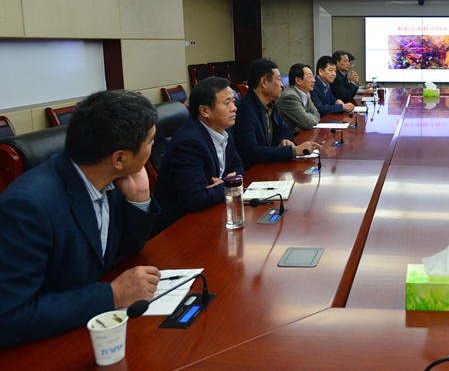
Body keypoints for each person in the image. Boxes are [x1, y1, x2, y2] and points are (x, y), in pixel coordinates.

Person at [0, 90, 161, 348]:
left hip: (90, 329)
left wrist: (139, 198)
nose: (153, 147)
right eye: (150, 142)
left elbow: (126, 249)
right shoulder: (28, 208)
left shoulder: (109, 177)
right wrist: (113, 295)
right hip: (45, 348)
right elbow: (7, 318)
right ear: (120, 158)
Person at [152, 77, 244, 235]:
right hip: (179, 229)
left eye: (233, 102)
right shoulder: (189, 143)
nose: (234, 108)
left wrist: (225, 183)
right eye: (227, 103)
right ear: (205, 111)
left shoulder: (225, 129)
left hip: (212, 211)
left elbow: (238, 165)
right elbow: (194, 199)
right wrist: (228, 186)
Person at [233, 58, 321, 170]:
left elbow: (285, 129)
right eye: (279, 80)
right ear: (264, 82)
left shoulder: (270, 104)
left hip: (269, 165)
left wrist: (285, 140)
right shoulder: (244, 109)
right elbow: (251, 152)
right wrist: (293, 151)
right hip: (253, 171)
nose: (282, 85)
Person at [275, 62, 321, 133]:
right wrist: (308, 117)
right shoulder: (290, 96)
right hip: (287, 136)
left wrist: (308, 117)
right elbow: (307, 123)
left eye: (313, 77)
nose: (314, 80)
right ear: (298, 80)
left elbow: (317, 114)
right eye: (310, 77)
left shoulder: (306, 92)